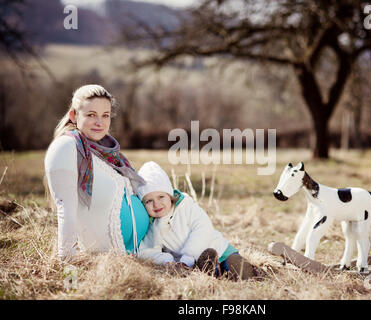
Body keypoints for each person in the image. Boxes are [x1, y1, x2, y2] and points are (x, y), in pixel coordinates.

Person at [44, 84, 149, 260]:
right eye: (91, 115)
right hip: (113, 258)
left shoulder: (107, 153)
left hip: (146, 246)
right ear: (74, 116)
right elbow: (65, 210)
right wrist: (68, 263)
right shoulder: (67, 147)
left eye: (105, 115)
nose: (99, 122)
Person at [136, 161, 262, 280]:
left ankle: (244, 270)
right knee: (201, 270)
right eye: (149, 201)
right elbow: (146, 251)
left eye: (161, 196)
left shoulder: (185, 206)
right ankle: (214, 272)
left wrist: (189, 257)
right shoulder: (152, 226)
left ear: (170, 195)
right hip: (192, 264)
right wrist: (166, 260)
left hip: (219, 249)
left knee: (234, 264)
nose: (156, 204)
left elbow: (203, 228)